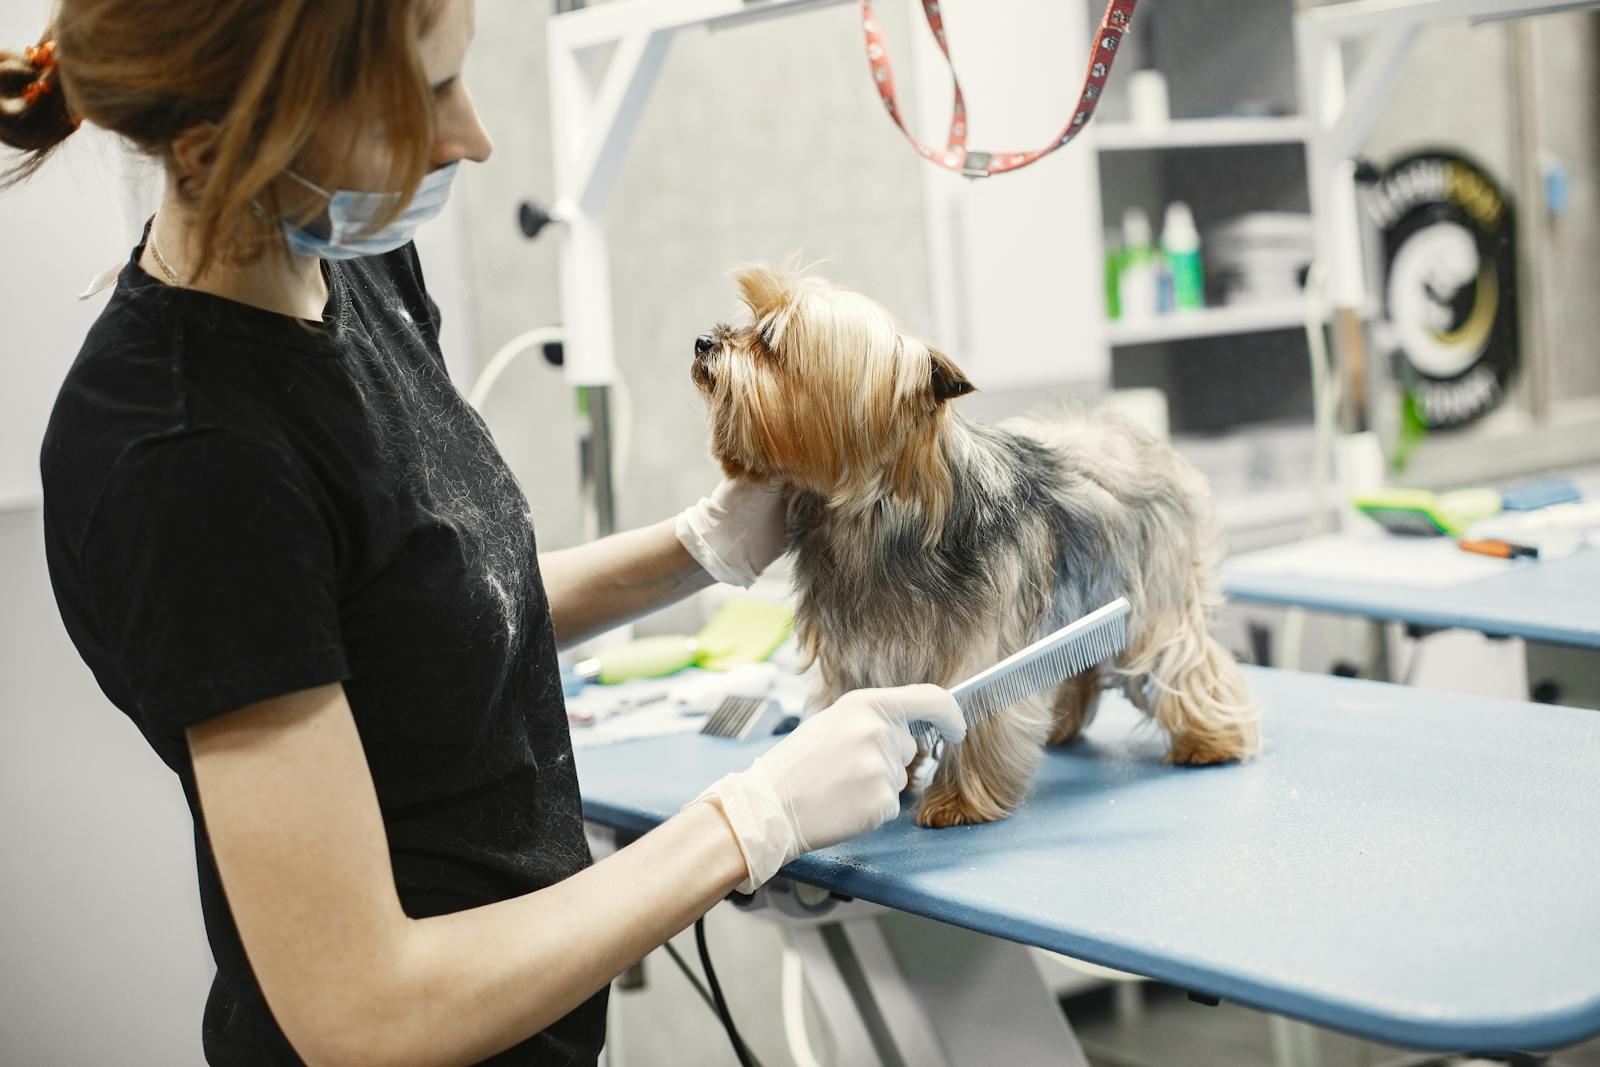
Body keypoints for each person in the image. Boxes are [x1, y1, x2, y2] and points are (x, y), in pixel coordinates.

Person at [0, 3, 966, 1064]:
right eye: (423, 99)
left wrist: (700, 547)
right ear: (227, 143)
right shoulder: (185, 459)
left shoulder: (352, 268)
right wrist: (751, 819)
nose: (473, 137)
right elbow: (363, 1010)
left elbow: (421, 615)